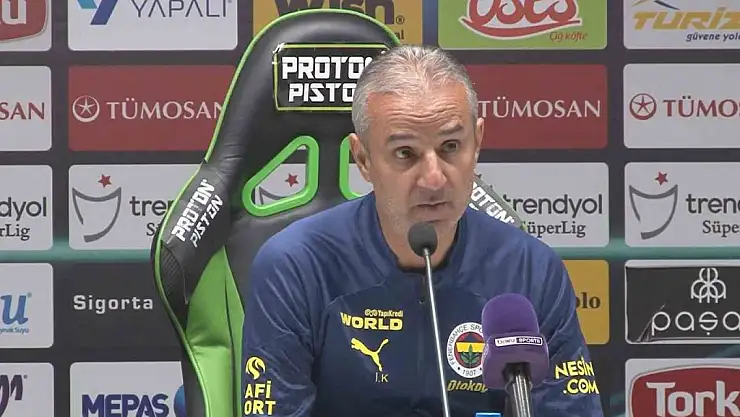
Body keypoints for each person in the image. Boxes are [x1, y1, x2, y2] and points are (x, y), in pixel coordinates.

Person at [240, 44, 603, 417]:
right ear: (362, 159)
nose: (433, 179)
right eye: (405, 153)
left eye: (450, 147)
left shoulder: (531, 270)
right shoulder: (295, 267)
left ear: (477, 142)